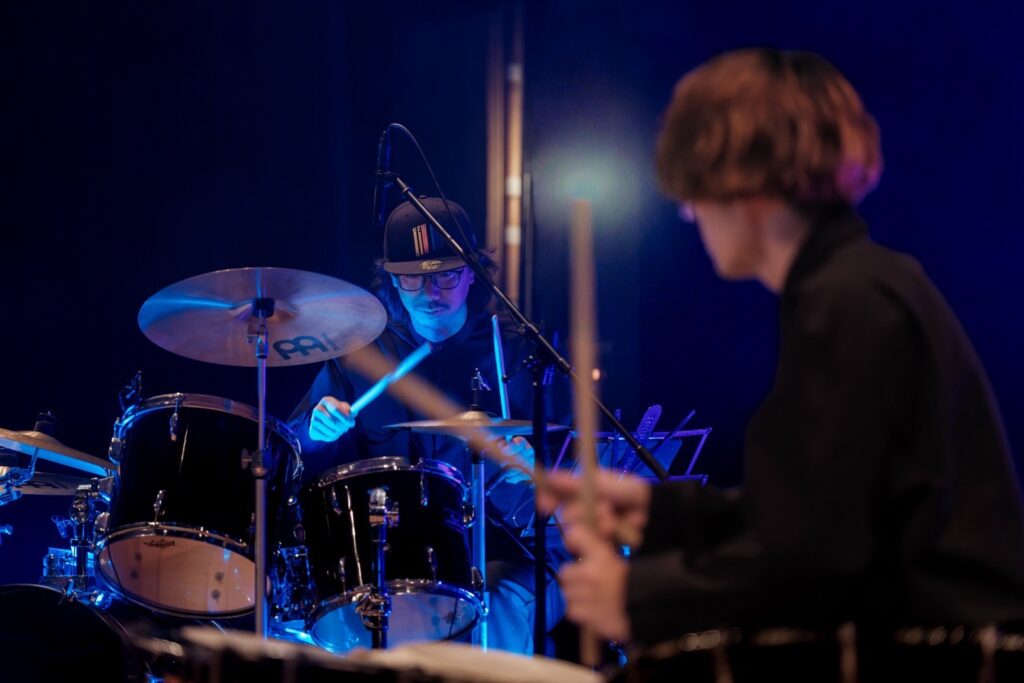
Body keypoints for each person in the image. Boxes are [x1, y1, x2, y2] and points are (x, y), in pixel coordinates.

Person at [541, 48, 1024, 675]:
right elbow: (816, 516)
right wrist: (659, 515)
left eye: (692, 193)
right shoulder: (865, 284)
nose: (690, 213)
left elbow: (816, 562)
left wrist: (638, 599)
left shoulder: (848, 301)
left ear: (740, 182)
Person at [289, 196, 567, 655]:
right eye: (412, 278)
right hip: (392, 557)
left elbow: (576, 463)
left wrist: (536, 467)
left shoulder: (520, 352)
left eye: (445, 276)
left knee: (497, 609)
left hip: (512, 552)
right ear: (391, 280)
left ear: (472, 272)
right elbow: (294, 454)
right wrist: (315, 431)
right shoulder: (361, 355)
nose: (429, 293)